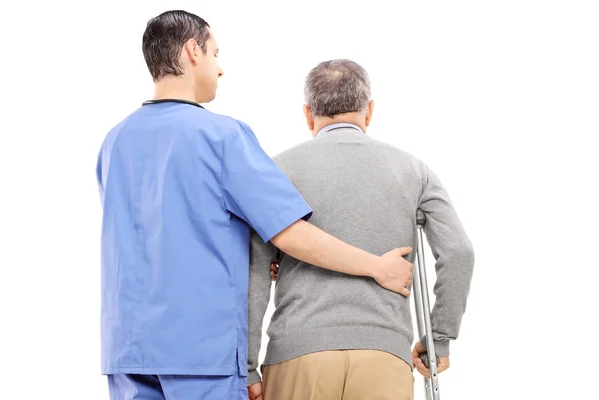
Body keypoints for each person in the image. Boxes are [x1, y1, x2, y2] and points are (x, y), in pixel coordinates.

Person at [96, 11, 414, 400]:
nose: (221, 68)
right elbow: (290, 233)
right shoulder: (222, 137)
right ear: (193, 51)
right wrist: (377, 267)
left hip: (128, 348)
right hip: (201, 351)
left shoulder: (115, 141)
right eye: (215, 53)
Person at [247, 59, 475, 400]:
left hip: (299, 352)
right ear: (369, 111)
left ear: (308, 114)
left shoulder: (275, 170)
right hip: (384, 354)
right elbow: (458, 253)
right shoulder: (413, 170)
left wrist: (248, 365)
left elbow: (254, 273)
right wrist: (438, 338)